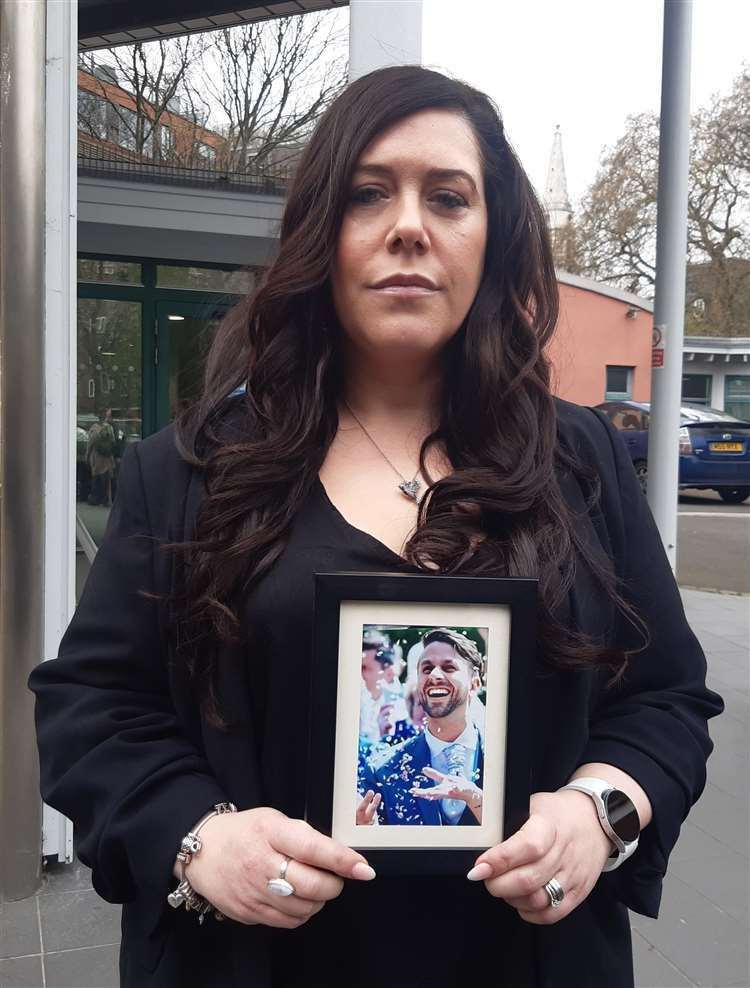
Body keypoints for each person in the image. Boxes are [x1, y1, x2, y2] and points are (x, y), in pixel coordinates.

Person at [29, 64, 723, 988]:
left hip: (528, 961)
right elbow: (93, 709)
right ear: (323, 231)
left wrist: (604, 812)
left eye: (448, 196)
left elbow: (668, 700)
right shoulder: (190, 469)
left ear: (493, 236)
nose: (409, 226)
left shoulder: (582, 463)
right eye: (368, 193)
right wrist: (200, 838)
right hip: (255, 962)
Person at [357, 628, 485, 826]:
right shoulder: (381, 769)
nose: (434, 675)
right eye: (426, 669)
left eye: (448, 667)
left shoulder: (507, 759)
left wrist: (476, 799)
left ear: (475, 684)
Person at [85, 410, 116, 506]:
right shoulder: (109, 428)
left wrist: (87, 455)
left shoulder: (94, 429)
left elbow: (90, 444)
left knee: (96, 477)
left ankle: (95, 498)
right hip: (107, 457)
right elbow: (113, 442)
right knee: (106, 479)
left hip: (97, 457)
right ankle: (106, 499)